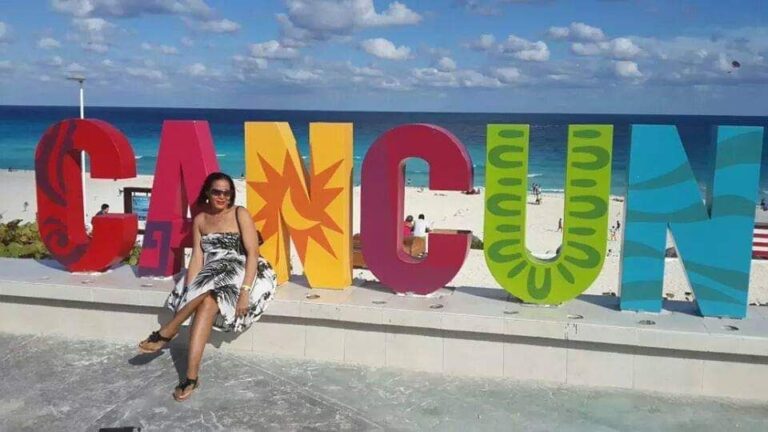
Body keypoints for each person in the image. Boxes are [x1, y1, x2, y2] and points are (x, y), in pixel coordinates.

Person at [138, 172, 277, 402]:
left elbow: (253, 253)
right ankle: (191, 377)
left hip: (240, 269)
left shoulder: (239, 213)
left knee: (212, 290)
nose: (222, 196)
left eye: (227, 192)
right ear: (207, 193)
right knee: (207, 300)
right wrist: (190, 290)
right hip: (211, 273)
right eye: (217, 191)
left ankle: (168, 331)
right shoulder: (201, 220)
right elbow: (197, 258)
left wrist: (244, 292)